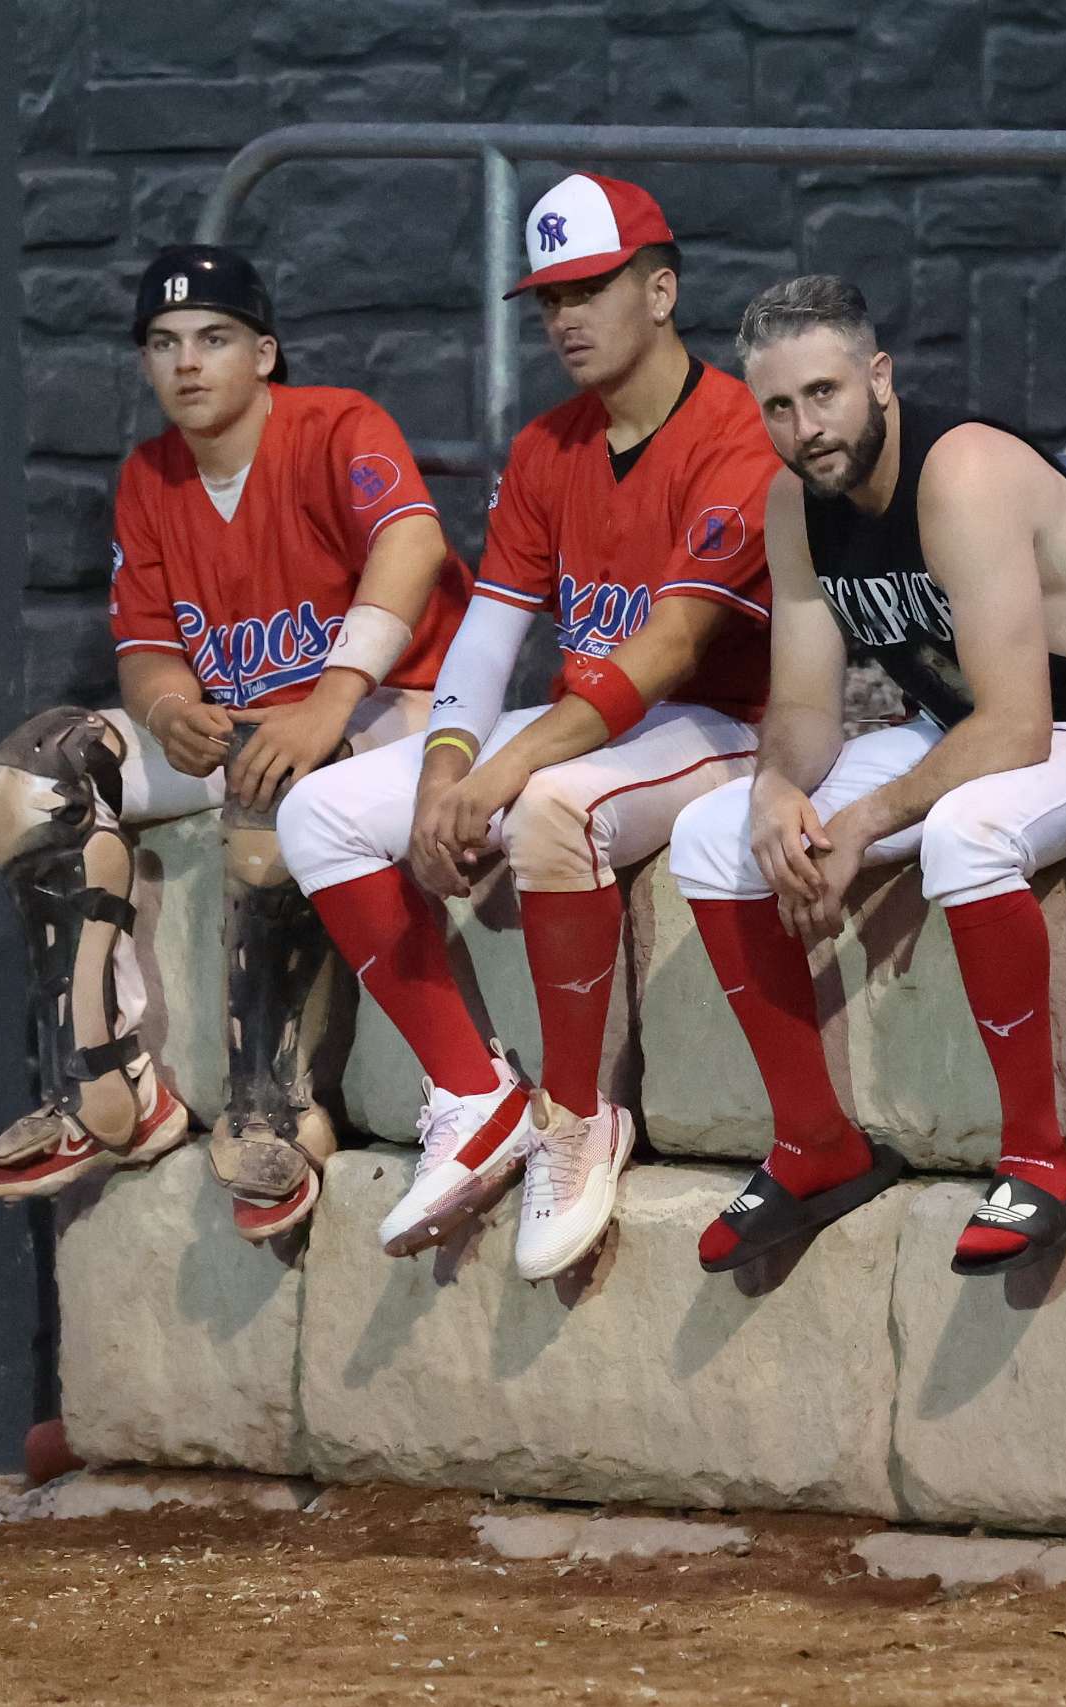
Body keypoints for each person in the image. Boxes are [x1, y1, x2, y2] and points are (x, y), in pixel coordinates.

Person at [668, 274, 1066, 1278]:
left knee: (965, 832)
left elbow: (1018, 726)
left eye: (824, 393)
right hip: (967, 721)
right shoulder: (797, 504)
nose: (805, 428)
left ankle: (1038, 1156)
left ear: (878, 377)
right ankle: (814, 1144)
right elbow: (806, 709)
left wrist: (861, 822)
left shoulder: (962, 473)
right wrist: (775, 791)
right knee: (710, 834)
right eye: (778, 406)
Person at [276, 173, 782, 1280]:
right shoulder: (551, 444)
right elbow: (486, 636)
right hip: (592, 723)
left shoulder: (739, 430)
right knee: (318, 812)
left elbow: (670, 650)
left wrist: (499, 772)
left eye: (589, 289)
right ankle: (474, 1094)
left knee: (550, 802)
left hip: (730, 724)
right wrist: (441, 775)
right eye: (550, 298)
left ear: (660, 291)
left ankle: (574, 1115)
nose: (564, 317)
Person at [0, 244, 469, 1243]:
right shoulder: (150, 477)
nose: (187, 362)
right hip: (249, 725)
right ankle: (105, 1087)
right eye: (163, 343)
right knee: (31, 776)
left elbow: (412, 543)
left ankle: (270, 1104)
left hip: (396, 708)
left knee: (274, 775)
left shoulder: (338, 425)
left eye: (214, 338)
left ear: (264, 352)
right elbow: (148, 651)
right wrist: (164, 712)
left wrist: (330, 698)